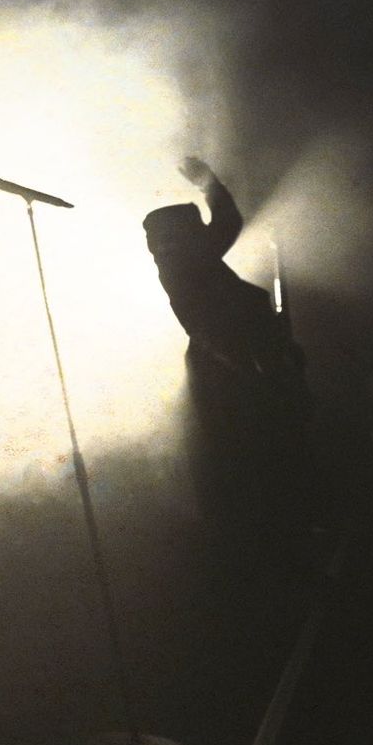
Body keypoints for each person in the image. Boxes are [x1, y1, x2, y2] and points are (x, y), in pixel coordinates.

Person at [144, 156, 315, 548]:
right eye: (195, 231)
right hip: (240, 374)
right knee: (268, 462)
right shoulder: (185, 264)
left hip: (238, 370)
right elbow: (227, 224)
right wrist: (208, 182)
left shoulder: (181, 265)